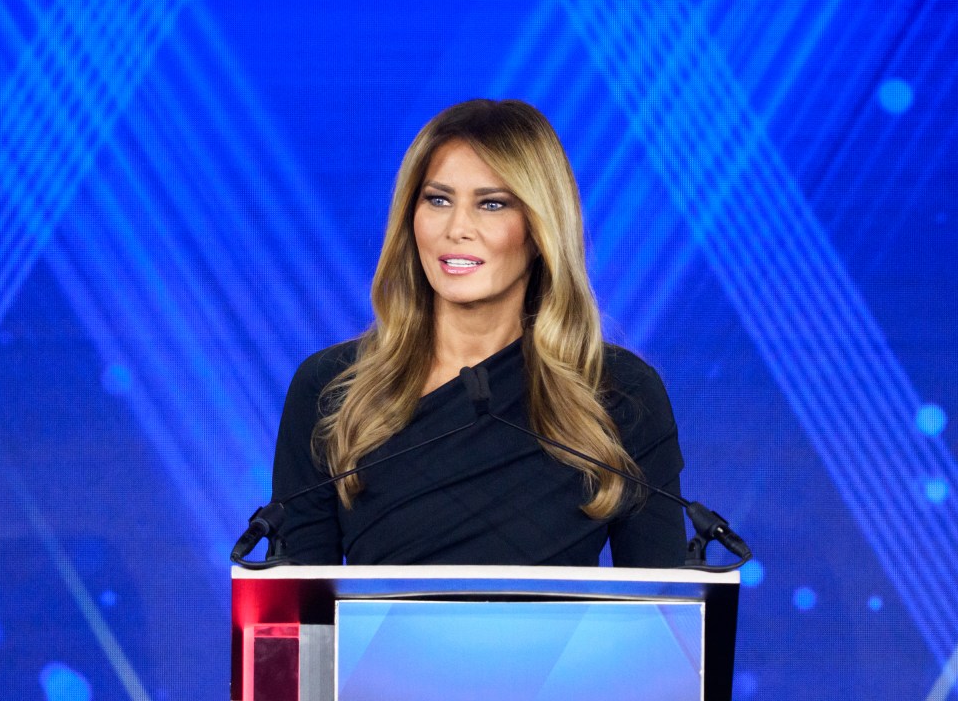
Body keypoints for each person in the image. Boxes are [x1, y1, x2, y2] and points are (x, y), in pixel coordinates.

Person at [271, 99, 686, 566]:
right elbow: (296, 601)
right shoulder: (332, 388)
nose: (457, 228)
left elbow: (665, 601)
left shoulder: (617, 391)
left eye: (491, 204)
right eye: (438, 200)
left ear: (540, 228)